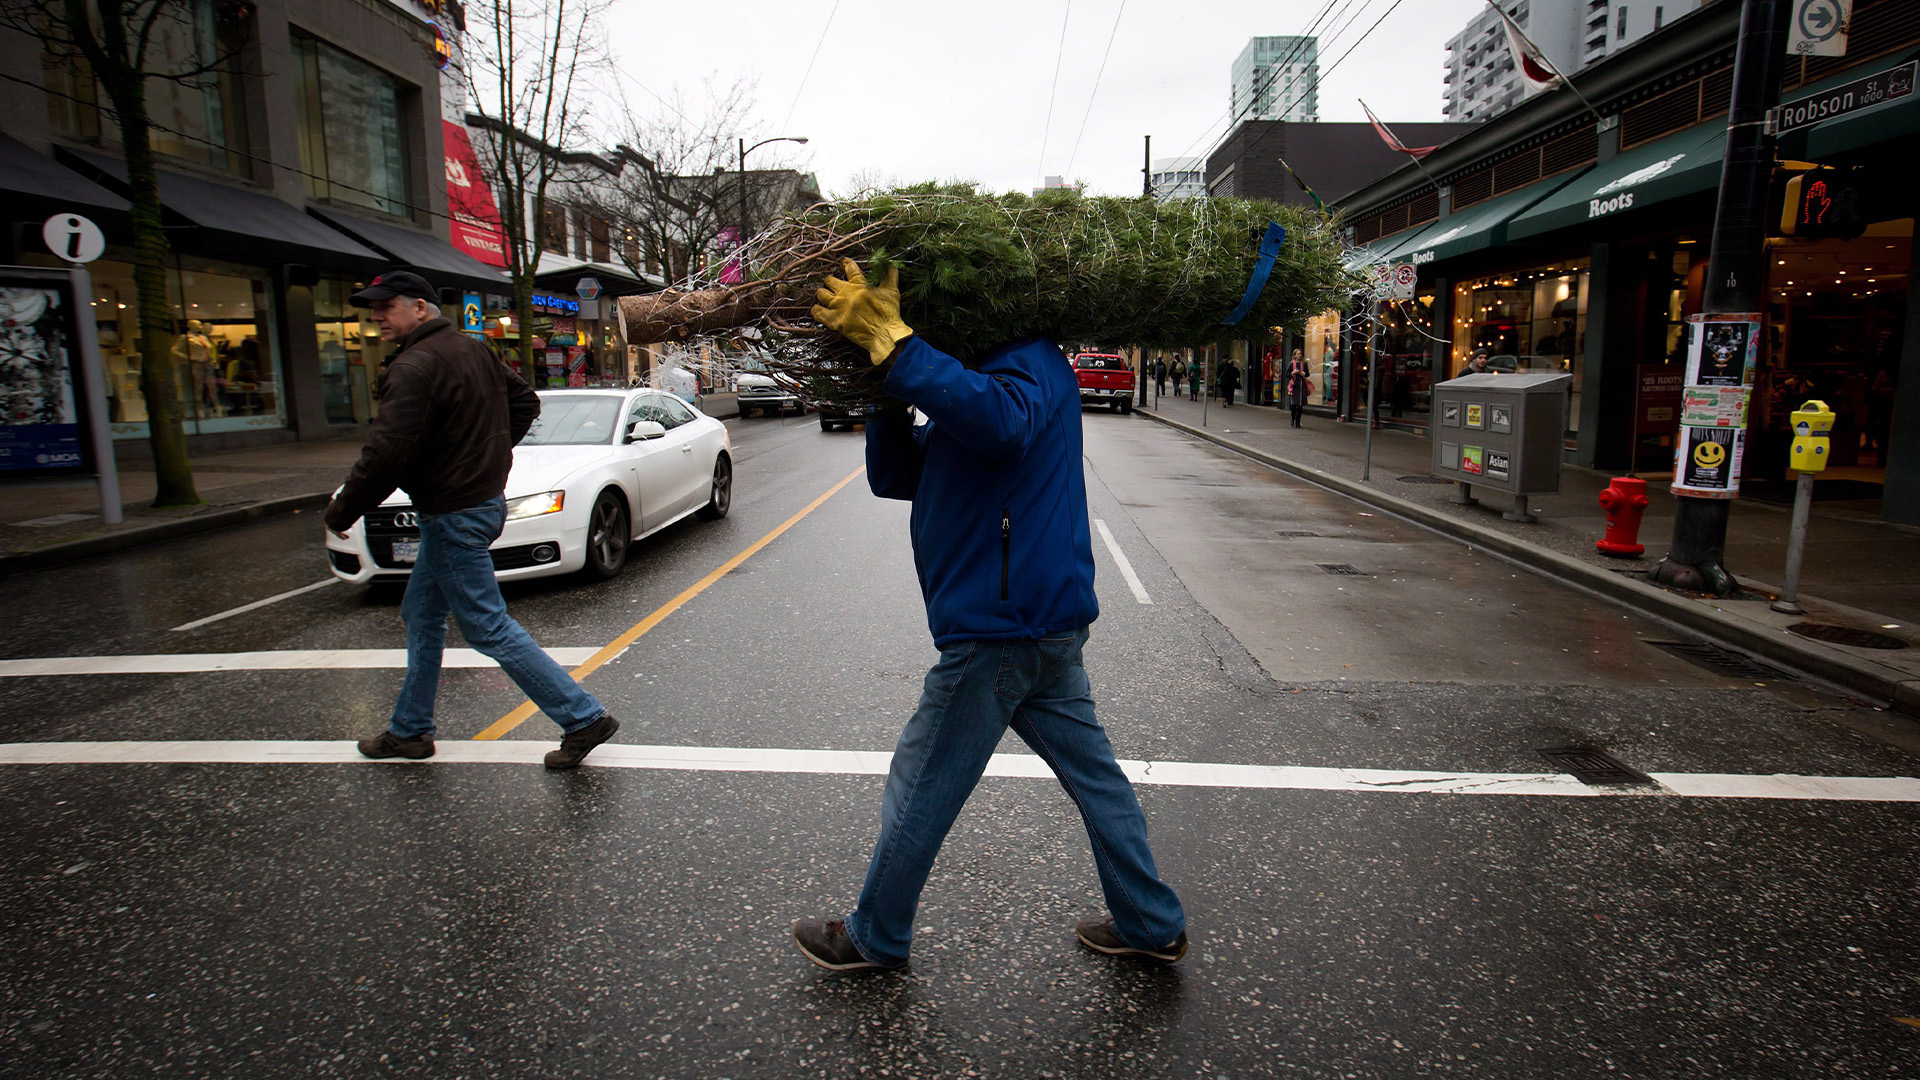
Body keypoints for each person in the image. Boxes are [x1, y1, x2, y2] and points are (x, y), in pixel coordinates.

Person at [791, 259, 1188, 972]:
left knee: (922, 782)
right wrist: (883, 390)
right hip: (1035, 624)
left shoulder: (1027, 362)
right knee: (1096, 780)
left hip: (1001, 627)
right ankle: (1151, 922)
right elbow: (899, 477)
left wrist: (899, 344)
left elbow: (1000, 425)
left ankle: (875, 934)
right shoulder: (985, 374)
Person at [323, 271, 621, 769]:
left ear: (420, 308)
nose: (376, 316)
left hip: (452, 511)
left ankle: (582, 716)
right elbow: (524, 403)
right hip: (478, 499)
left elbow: (385, 452)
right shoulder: (471, 348)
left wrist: (342, 510)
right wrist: (485, 453)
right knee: (421, 613)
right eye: (373, 308)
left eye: (387, 306)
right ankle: (410, 730)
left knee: (485, 626)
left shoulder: (415, 366)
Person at [1284, 347, 1312, 428]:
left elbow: (1307, 374)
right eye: (1298, 354)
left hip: (1302, 385)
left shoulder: (1304, 364)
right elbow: (1287, 374)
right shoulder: (1291, 364)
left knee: (1300, 405)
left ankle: (1298, 421)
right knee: (1293, 403)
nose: (1299, 355)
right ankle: (1292, 419)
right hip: (1294, 385)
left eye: (1300, 354)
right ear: (1294, 355)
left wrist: (1301, 373)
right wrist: (1293, 372)